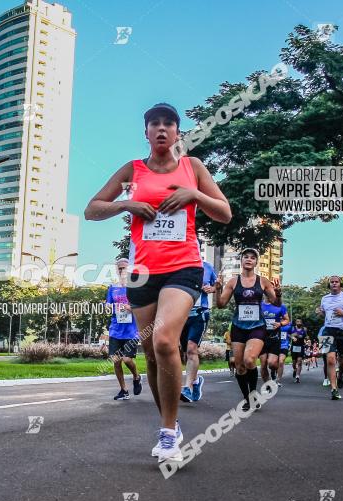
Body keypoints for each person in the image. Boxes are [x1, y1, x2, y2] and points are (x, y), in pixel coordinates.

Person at [84, 102, 232, 463]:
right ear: (146, 132)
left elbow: (225, 213)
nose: (162, 129)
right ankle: (170, 425)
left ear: (178, 132)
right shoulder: (132, 170)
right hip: (142, 273)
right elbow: (92, 209)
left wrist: (194, 195)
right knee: (150, 352)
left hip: (183, 267)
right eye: (155, 124)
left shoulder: (192, 167)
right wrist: (127, 205)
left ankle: (168, 432)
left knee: (165, 340)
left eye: (169, 124)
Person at [215, 248, 280, 411]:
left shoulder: (263, 281)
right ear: (242, 261)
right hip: (238, 326)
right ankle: (248, 397)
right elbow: (221, 305)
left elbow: (276, 303)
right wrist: (217, 289)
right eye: (246, 257)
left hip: (257, 326)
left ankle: (252, 394)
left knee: (250, 360)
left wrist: (278, 294)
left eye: (252, 257)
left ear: (256, 262)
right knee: (240, 366)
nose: (249, 259)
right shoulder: (233, 281)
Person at [179, 250, 217, 403]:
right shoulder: (179, 266)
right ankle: (195, 381)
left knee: (191, 349)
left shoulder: (207, 267)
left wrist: (211, 289)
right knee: (183, 352)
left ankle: (187, 388)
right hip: (181, 313)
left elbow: (215, 286)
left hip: (199, 313)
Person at [316, 275, 343, 400]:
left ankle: (340, 375)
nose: (334, 284)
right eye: (332, 282)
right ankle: (334, 389)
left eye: (336, 282)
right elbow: (324, 314)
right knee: (329, 360)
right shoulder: (324, 299)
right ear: (328, 285)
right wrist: (320, 313)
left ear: (341, 284)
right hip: (327, 330)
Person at [106, 258, 143, 400]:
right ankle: (124, 390)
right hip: (115, 329)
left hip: (131, 330)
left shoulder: (136, 288)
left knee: (127, 359)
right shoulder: (112, 288)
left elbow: (142, 307)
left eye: (124, 268)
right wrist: (108, 307)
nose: (122, 271)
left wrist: (131, 307)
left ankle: (136, 377)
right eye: (120, 268)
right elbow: (107, 304)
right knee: (116, 361)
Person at [259, 294, 289, 386]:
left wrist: (280, 324)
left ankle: (275, 371)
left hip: (274, 338)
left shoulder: (280, 306)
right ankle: (267, 384)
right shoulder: (259, 305)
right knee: (263, 364)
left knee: (271, 363)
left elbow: (287, 320)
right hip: (261, 338)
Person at [289, 318, 307, 383]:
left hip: (301, 347)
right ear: (295, 322)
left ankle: (297, 377)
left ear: (301, 322)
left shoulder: (304, 329)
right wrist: (292, 337)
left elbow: (305, 336)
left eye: (300, 321)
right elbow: (289, 334)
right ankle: (295, 369)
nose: (298, 322)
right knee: (294, 363)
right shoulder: (292, 328)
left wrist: (305, 339)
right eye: (297, 321)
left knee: (299, 362)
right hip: (294, 347)